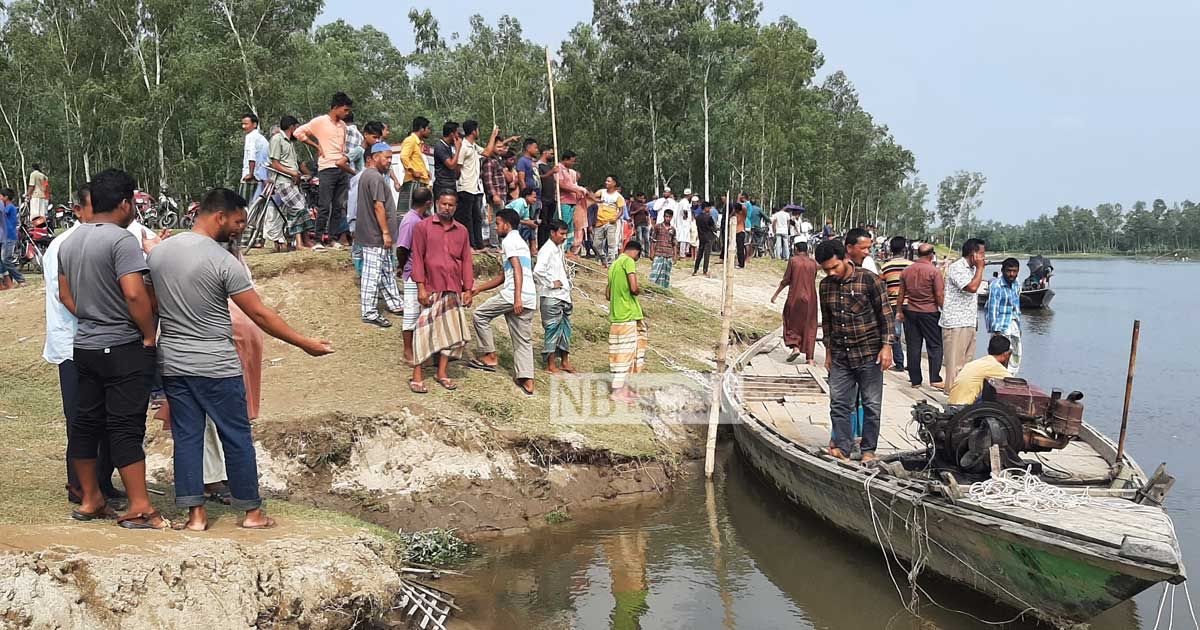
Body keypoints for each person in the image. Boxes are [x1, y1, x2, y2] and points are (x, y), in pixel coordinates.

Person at [149, 187, 332, 531]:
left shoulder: (160, 254)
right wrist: (304, 343)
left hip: (174, 363)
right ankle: (251, 513)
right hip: (217, 365)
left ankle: (196, 517)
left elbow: (151, 305)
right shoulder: (222, 261)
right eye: (237, 222)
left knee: (187, 438)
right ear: (219, 216)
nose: (239, 229)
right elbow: (260, 315)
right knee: (236, 436)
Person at [57, 169, 163, 528]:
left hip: (84, 345)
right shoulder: (121, 241)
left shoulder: (68, 242)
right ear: (124, 203)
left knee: (85, 425)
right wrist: (148, 334)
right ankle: (140, 507)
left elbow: (65, 295)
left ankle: (91, 499)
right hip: (122, 345)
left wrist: (91, 317)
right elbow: (134, 292)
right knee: (124, 426)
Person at [44, 184, 123, 504]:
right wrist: (107, 319)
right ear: (78, 211)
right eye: (95, 207)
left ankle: (102, 482)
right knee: (80, 418)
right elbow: (66, 298)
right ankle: (79, 485)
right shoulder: (63, 245)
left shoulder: (107, 241)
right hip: (74, 343)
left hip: (100, 341)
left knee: (107, 417)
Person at [815, 238, 893, 463]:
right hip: (840, 355)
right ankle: (843, 447)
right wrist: (828, 353)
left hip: (869, 354)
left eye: (834, 267)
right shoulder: (825, 286)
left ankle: (868, 450)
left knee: (871, 404)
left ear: (845, 259)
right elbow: (827, 321)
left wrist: (887, 347)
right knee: (839, 403)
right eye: (825, 269)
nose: (830, 273)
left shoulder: (869, 281)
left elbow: (886, 316)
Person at [410, 192, 474, 393]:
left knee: (450, 333)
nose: (447, 208)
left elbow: (466, 260)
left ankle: (442, 372)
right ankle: (417, 375)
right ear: (437, 203)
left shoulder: (462, 231)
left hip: (453, 286)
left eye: (451, 205)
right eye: (444, 204)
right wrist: (420, 286)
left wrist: (468, 289)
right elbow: (418, 258)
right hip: (430, 286)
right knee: (423, 330)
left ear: (455, 207)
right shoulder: (423, 227)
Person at [468, 208, 537, 396]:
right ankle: (527, 379)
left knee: (480, 315)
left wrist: (517, 297)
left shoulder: (509, 241)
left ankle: (489, 356)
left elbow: (516, 269)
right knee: (523, 339)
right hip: (530, 296)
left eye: (498, 223)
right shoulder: (521, 242)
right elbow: (504, 275)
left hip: (514, 295)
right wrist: (479, 289)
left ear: (507, 224)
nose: (496, 227)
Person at [295, 92, 354, 249]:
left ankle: (333, 238)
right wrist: (316, 145)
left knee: (338, 206)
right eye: (345, 110)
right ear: (336, 107)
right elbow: (298, 133)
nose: (347, 113)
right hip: (327, 168)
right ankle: (319, 239)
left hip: (341, 168)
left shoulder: (343, 126)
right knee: (324, 205)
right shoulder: (320, 121)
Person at [355, 142, 403, 327]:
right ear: (374, 157)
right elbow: (378, 206)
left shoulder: (370, 175)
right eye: (387, 157)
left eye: (391, 157)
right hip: (375, 235)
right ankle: (369, 311)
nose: (389, 161)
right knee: (372, 274)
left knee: (385, 270)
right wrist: (385, 232)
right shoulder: (374, 177)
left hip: (376, 234)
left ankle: (395, 303)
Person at [895, 243, 945, 389]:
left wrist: (899, 311)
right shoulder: (934, 272)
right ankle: (935, 378)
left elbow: (901, 294)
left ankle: (915, 380)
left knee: (913, 346)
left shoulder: (906, 271)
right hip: (929, 312)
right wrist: (944, 309)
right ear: (932, 255)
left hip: (910, 311)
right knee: (935, 346)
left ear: (917, 254)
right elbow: (939, 294)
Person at [941, 238, 987, 390]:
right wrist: (981, 268)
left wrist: (975, 320)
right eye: (982, 254)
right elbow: (972, 288)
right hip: (955, 322)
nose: (983, 258)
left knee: (967, 365)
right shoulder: (957, 268)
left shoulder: (972, 269)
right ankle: (952, 396)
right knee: (954, 365)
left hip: (968, 322)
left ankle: (962, 394)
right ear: (973, 254)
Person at [607, 241, 647, 404]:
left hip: (616, 316)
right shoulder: (628, 262)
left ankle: (624, 389)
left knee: (620, 354)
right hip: (628, 315)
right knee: (627, 354)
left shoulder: (614, 264)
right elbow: (633, 287)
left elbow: (608, 294)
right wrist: (638, 290)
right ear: (636, 252)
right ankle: (618, 392)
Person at [268, 115, 313, 251]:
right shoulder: (277, 139)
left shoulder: (290, 143)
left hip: (293, 182)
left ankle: (305, 241)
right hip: (283, 181)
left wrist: (306, 174)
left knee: (303, 208)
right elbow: (275, 164)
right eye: (297, 127)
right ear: (292, 127)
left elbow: (297, 163)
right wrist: (292, 173)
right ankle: (298, 243)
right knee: (298, 208)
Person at [535, 219, 574, 374]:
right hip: (551, 296)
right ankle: (551, 364)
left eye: (566, 234)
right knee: (552, 329)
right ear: (552, 233)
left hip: (563, 296)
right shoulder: (547, 250)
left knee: (565, 329)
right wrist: (551, 283)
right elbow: (537, 272)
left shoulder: (558, 249)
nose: (564, 237)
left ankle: (564, 361)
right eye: (561, 233)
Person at [771, 241, 819, 364]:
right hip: (811, 298)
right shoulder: (813, 263)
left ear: (796, 249)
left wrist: (776, 294)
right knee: (810, 325)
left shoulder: (793, 261)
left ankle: (795, 347)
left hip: (796, 296)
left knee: (790, 320)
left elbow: (786, 280)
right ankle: (810, 358)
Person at [456, 121, 498, 251]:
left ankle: (479, 245)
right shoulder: (463, 146)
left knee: (477, 218)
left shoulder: (473, 146)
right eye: (478, 130)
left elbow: (487, 152)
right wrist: (461, 180)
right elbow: (458, 166)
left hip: (475, 189)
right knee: (467, 219)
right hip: (465, 187)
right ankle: (470, 245)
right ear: (474, 131)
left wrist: (493, 136)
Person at [878, 236, 912, 372]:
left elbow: (881, 286)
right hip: (910, 304)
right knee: (911, 336)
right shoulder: (911, 266)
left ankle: (899, 363)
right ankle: (912, 364)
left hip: (892, 303)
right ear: (905, 249)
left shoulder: (885, 267)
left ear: (890, 250)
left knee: (894, 334)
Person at [948, 335, 1014, 405]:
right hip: (962, 406)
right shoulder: (994, 365)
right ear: (1006, 354)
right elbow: (1014, 384)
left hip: (952, 402)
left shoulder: (980, 361)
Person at [985, 257, 1023, 376]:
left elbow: (1016, 306)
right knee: (999, 358)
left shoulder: (1017, 284)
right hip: (1000, 327)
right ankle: (997, 380)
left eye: (1014, 271)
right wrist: (995, 331)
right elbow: (992, 309)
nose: (1012, 274)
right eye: (1009, 271)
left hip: (1013, 325)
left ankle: (1009, 377)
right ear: (1002, 270)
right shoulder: (996, 286)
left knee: (1015, 355)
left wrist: (1018, 325)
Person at [555, 151, 588, 256]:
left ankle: (568, 248)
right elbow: (561, 184)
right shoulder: (559, 169)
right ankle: (560, 248)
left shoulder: (569, 171)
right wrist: (575, 190)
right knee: (563, 224)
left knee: (570, 227)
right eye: (572, 161)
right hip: (564, 201)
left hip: (571, 202)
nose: (573, 163)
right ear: (566, 159)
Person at [399, 116, 433, 213]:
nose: (429, 131)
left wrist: (425, 172)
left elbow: (416, 161)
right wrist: (413, 171)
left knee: (423, 213)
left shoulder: (418, 143)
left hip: (421, 182)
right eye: (428, 128)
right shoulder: (410, 140)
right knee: (411, 212)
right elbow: (403, 156)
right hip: (413, 182)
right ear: (422, 129)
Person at [239, 113, 270, 208]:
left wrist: (250, 174)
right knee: (256, 206)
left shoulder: (251, 137)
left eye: (246, 124)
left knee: (243, 205)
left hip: (252, 177)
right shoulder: (261, 138)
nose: (244, 126)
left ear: (254, 124)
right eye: (243, 124)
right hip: (261, 177)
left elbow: (251, 157)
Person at [593, 176, 625, 266]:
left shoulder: (618, 197)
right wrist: (597, 200)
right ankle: (603, 257)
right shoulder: (601, 192)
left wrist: (615, 218)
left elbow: (621, 210)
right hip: (599, 221)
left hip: (610, 222)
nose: (606, 182)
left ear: (614, 183)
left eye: (608, 181)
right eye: (606, 181)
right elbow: (592, 197)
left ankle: (611, 264)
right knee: (596, 244)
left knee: (611, 244)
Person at [432, 121, 462, 200]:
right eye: (457, 133)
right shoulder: (440, 146)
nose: (458, 136)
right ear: (452, 134)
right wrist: (458, 149)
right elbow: (451, 165)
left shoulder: (449, 147)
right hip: (443, 185)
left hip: (451, 183)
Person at [0, 189, 24, 288]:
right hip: (7, 236)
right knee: (3, 259)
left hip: (9, 236)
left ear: (6, 197)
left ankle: (20, 279)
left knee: (6, 259)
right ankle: (8, 281)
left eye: (1, 196)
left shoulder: (9, 208)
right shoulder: (8, 208)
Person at [536, 148, 559, 248]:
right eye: (551, 153)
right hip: (543, 198)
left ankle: (547, 244)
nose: (553, 156)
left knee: (549, 223)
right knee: (543, 224)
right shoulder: (538, 165)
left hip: (551, 199)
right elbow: (538, 177)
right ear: (545, 152)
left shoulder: (549, 166)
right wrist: (551, 172)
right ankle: (541, 245)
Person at [648, 209, 677, 288]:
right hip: (659, 253)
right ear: (663, 216)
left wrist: (675, 256)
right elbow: (653, 240)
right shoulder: (658, 227)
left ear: (671, 218)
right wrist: (652, 252)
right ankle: (651, 287)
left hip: (668, 254)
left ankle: (663, 289)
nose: (667, 218)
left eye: (669, 217)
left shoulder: (673, 229)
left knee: (666, 274)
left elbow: (674, 243)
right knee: (655, 272)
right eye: (666, 216)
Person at [506, 187, 539, 255]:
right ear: (527, 196)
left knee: (531, 226)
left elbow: (526, 219)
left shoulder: (527, 205)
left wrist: (533, 223)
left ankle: (532, 246)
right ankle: (520, 245)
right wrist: (528, 222)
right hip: (507, 221)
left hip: (515, 222)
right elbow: (513, 217)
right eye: (534, 197)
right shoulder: (520, 202)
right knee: (526, 226)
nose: (535, 200)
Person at [693, 200, 717, 277]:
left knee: (699, 253)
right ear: (706, 208)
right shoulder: (709, 217)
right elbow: (713, 228)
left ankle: (695, 269)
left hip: (701, 237)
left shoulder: (698, 217)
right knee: (706, 254)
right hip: (708, 237)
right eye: (709, 208)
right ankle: (705, 270)